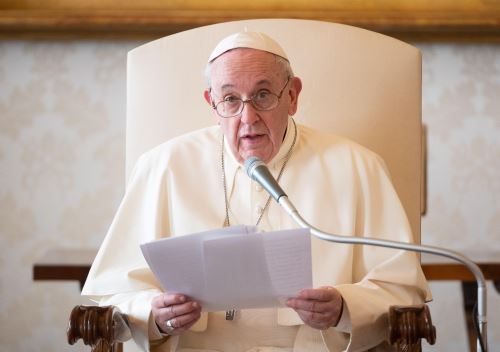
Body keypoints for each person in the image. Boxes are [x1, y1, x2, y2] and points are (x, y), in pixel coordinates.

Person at [83, 31, 430, 352]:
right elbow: (113, 296)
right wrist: (155, 314)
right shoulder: (164, 166)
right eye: (230, 99)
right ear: (212, 103)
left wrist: (345, 308)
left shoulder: (357, 166)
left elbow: (402, 290)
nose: (247, 117)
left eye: (263, 95)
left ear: (292, 96)